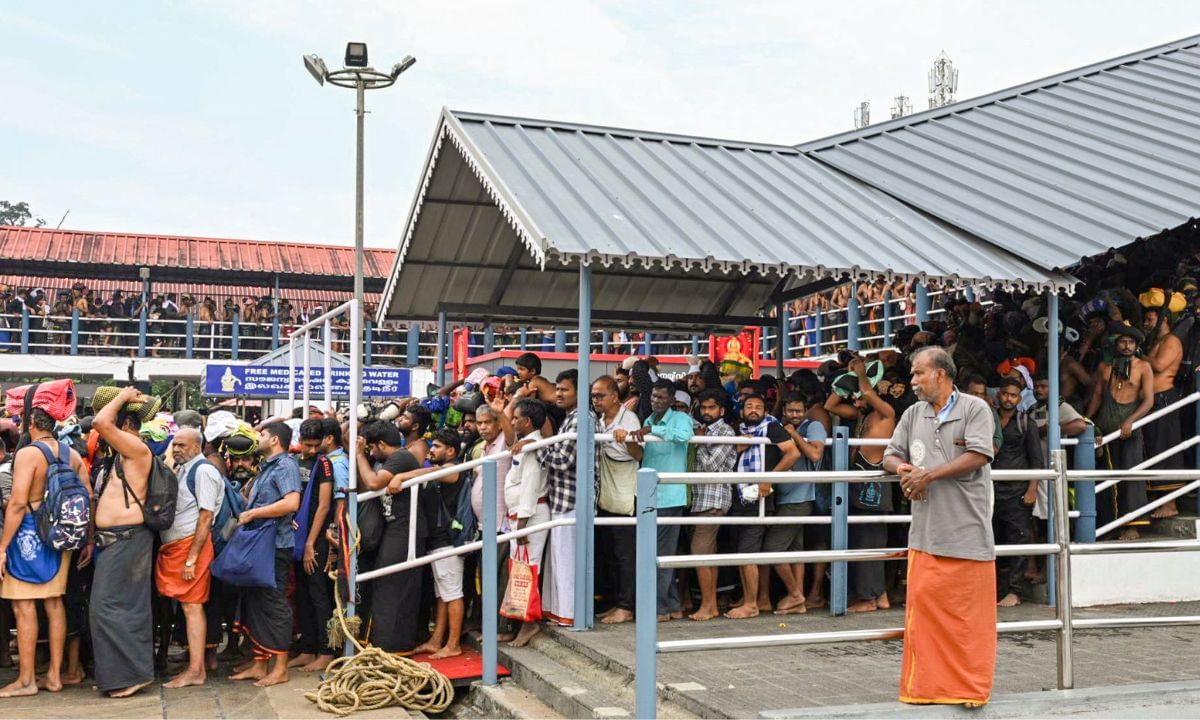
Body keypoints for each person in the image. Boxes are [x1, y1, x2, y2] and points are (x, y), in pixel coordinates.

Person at [883, 346, 997, 708]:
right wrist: (904, 470)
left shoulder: (975, 408)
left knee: (968, 620)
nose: (913, 381)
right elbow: (890, 455)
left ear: (941, 374)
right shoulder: (912, 413)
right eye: (913, 374)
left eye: (918, 373)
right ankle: (928, 689)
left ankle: (970, 689)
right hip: (925, 534)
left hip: (968, 531)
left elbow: (979, 454)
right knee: (925, 617)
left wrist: (928, 475)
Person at [0, 407, 87, 698]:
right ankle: (54, 676)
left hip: (28, 534)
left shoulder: (28, 454)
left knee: (23, 606)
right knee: (54, 603)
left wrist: (2, 547)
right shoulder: (72, 454)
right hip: (61, 537)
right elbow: (87, 495)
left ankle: (26, 680)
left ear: (32, 424)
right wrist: (87, 540)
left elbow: (17, 503)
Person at [90, 386, 158, 698]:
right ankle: (121, 675)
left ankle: (133, 675)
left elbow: (100, 423)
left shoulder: (136, 448)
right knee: (114, 608)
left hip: (127, 539)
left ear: (124, 423)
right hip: (117, 541)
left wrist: (121, 398)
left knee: (111, 608)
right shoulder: (124, 453)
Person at [229, 422, 300, 688]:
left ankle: (280, 668)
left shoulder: (286, 466)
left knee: (274, 604)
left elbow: (291, 503)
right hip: (261, 544)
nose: (257, 437)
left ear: (274, 440)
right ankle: (260, 665)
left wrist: (252, 513)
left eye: (262, 434)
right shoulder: (267, 467)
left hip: (275, 545)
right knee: (257, 603)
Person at [618, 380, 693, 622]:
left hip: (670, 496)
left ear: (671, 400)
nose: (655, 401)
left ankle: (660, 609)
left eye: (660, 397)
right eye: (653, 397)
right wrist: (630, 440)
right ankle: (672, 607)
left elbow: (685, 436)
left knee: (661, 555)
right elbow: (642, 455)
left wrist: (654, 431)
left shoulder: (680, 418)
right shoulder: (649, 420)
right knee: (655, 554)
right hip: (650, 495)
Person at [826, 359, 897, 613]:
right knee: (865, 545)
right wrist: (846, 383)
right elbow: (831, 405)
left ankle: (868, 600)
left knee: (869, 547)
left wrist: (860, 374)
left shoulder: (886, 414)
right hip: (858, 488)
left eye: (857, 397)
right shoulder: (861, 416)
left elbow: (867, 393)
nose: (855, 402)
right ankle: (881, 596)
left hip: (873, 491)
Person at [158, 427, 222, 688]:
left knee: (192, 607)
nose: (176, 450)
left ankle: (196, 671)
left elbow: (206, 517)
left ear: (197, 447)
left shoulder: (203, 471)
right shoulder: (183, 469)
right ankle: (196, 668)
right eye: (174, 445)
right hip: (178, 547)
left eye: (182, 445)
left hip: (190, 548)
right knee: (188, 607)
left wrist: (191, 558)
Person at [726, 392, 798, 619]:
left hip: (760, 497)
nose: (753, 410)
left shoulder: (771, 427)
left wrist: (769, 478)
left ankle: (751, 605)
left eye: (758, 407)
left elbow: (792, 453)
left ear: (765, 411)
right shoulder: (738, 429)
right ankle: (752, 599)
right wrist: (737, 449)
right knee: (743, 551)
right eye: (749, 406)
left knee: (747, 552)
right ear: (742, 410)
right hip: (740, 495)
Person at [356, 420, 425, 653]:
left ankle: (393, 645)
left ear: (382, 445)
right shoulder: (388, 460)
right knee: (385, 583)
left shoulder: (400, 458)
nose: (370, 453)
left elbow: (373, 482)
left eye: (372, 448)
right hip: (394, 528)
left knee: (392, 585)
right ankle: (383, 642)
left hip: (406, 530)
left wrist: (359, 456)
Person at [1086, 322, 1155, 540]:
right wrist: (1087, 420)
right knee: (1106, 478)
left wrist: (1130, 421)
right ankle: (1110, 525)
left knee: (1131, 476)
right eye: (1123, 342)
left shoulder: (1144, 367)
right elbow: (1097, 396)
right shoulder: (1104, 367)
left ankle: (1132, 526)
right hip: (1106, 429)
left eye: (1131, 342)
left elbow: (1149, 400)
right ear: (1115, 344)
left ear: (1136, 345)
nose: (1126, 346)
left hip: (1129, 431)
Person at [764, 392, 825, 615]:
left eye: (798, 411)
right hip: (785, 498)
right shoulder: (779, 425)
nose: (794, 415)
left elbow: (815, 454)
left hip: (799, 499)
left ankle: (795, 594)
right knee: (794, 550)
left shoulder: (813, 426)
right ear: (784, 410)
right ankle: (798, 601)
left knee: (772, 548)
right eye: (790, 410)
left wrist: (794, 434)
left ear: (806, 411)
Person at [413, 430, 468, 659]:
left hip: (448, 541)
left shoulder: (454, 470)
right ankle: (436, 640)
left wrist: (401, 476)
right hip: (437, 541)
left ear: (451, 451)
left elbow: (431, 473)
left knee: (452, 593)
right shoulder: (441, 470)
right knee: (442, 594)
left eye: (436, 446)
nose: (432, 450)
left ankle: (453, 644)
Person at [592, 375, 643, 625]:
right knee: (610, 552)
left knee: (625, 554)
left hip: (625, 491)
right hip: (606, 494)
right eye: (593, 396)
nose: (596, 400)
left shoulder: (629, 419)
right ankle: (614, 602)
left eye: (600, 395)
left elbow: (639, 454)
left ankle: (626, 606)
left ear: (614, 396)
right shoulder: (599, 420)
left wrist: (628, 438)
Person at [991, 377, 1044, 607]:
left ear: (1019, 398)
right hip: (990, 490)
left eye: (1013, 395)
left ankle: (1015, 592)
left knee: (1018, 540)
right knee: (989, 541)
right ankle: (990, 590)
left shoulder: (1026, 423)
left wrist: (1032, 489)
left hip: (1016, 491)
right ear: (998, 394)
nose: (1008, 399)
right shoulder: (988, 420)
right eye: (1005, 394)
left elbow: (1037, 460)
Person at [533, 369, 581, 627]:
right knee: (558, 561)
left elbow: (563, 460)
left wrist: (537, 447)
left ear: (579, 392)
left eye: (565, 389)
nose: (559, 394)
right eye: (558, 388)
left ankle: (570, 615)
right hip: (563, 498)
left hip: (572, 499)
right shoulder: (570, 417)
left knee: (566, 561)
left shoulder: (580, 419)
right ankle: (560, 613)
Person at [503, 399, 551, 647]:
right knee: (520, 569)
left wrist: (522, 523)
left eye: (515, 418)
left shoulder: (532, 447)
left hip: (530, 516)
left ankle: (529, 624)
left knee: (529, 569)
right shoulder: (524, 444)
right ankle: (520, 622)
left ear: (527, 422)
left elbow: (531, 486)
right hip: (521, 516)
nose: (511, 422)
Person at [290, 418, 336, 673]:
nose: (312, 449)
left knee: (319, 594)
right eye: (307, 444)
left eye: (316, 445)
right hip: (298, 535)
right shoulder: (294, 461)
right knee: (303, 594)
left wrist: (310, 543)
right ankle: (307, 649)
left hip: (315, 537)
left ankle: (325, 651)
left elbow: (324, 505)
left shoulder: (324, 464)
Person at [687, 389, 736, 622]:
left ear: (722, 410)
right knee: (707, 554)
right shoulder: (701, 428)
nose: (706, 412)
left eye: (712, 408)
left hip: (713, 499)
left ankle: (708, 605)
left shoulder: (725, 431)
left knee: (699, 553)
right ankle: (711, 605)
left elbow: (710, 465)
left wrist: (698, 441)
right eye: (704, 407)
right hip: (699, 499)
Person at [1141, 306, 1186, 518]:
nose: (1146, 323)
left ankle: (1170, 504)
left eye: (1150, 319)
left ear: (1164, 320)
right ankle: (1160, 500)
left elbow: (1159, 366)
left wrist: (1139, 355)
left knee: (1166, 448)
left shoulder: (1171, 341)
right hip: (1153, 401)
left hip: (1165, 399)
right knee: (1154, 449)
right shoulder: (1157, 341)